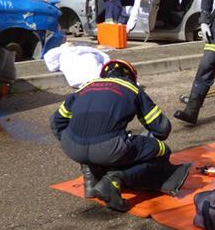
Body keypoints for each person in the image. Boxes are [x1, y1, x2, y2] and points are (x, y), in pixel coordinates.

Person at [51, 59, 190, 212]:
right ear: (130, 76)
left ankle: (90, 175)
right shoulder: (132, 89)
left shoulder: (83, 88)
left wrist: (70, 141)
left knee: (91, 139)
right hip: (109, 148)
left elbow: (56, 122)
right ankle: (115, 179)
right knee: (162, 150)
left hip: (71, 147)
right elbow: (162, 129)